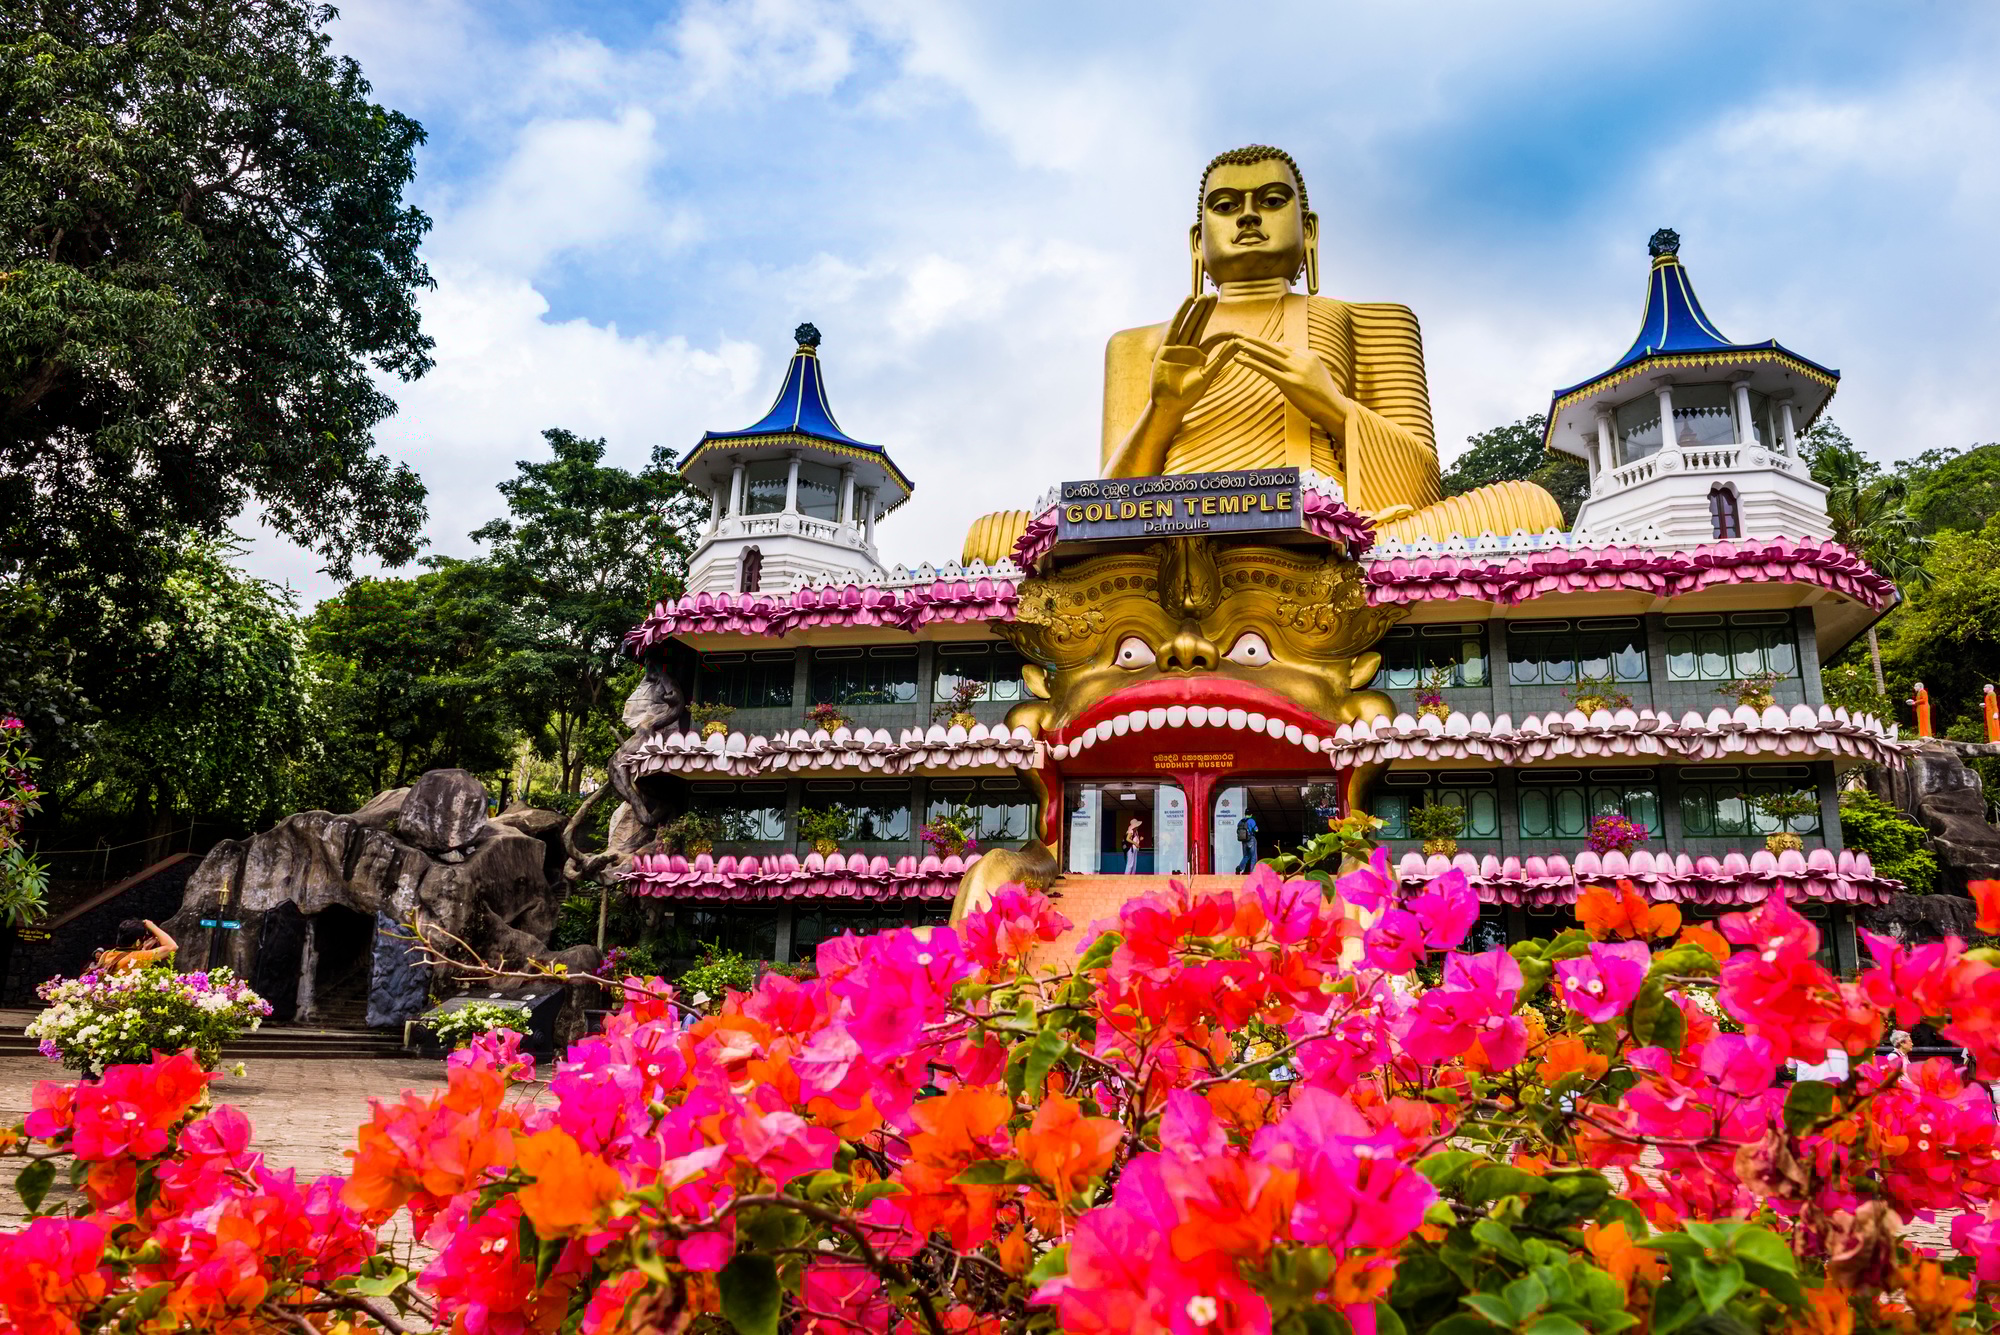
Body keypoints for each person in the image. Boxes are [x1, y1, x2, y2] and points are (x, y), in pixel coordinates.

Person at [93, 919, 177, 974]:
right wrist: (151, 925)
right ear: (137, 942)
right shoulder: (137, 957)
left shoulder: (106, 954)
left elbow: (125, 957)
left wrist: (143, 949)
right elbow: (172, 946)